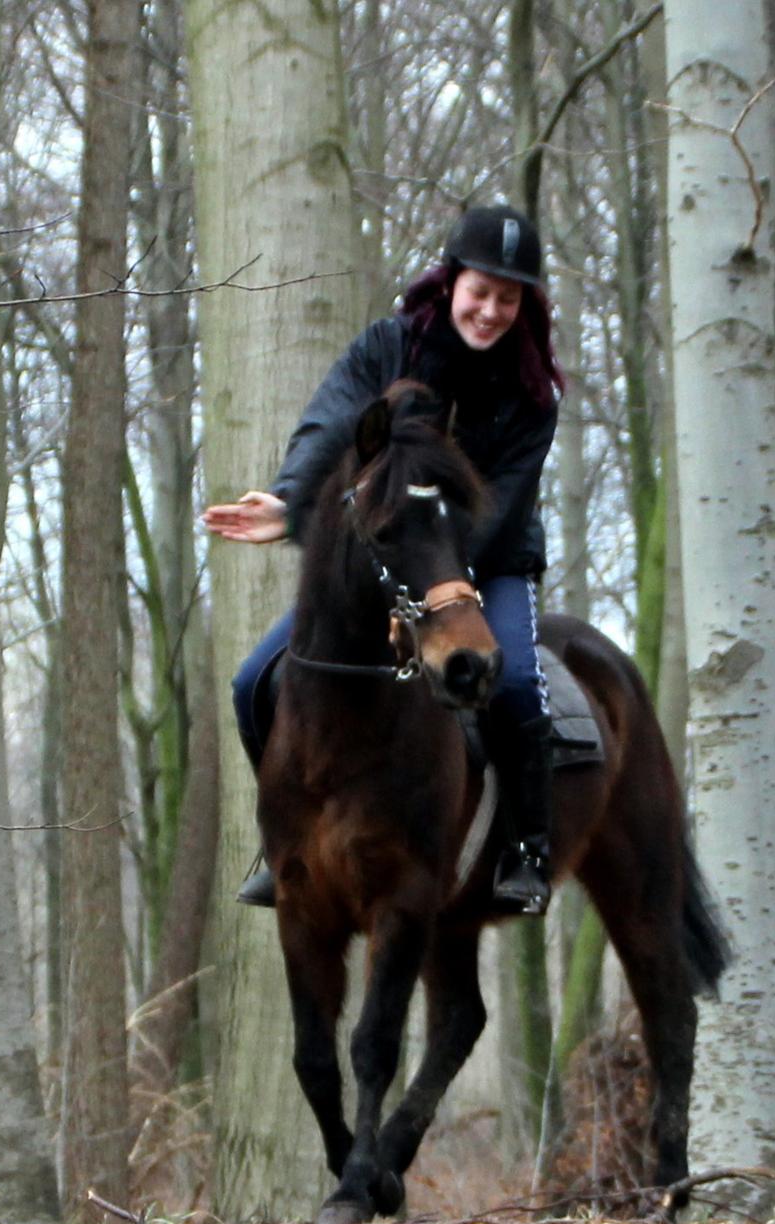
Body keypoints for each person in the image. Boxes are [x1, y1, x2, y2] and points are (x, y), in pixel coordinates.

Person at [204, 202, 564, 915]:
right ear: (452, 280)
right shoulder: (388, 347)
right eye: (480, 292)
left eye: (508, 298)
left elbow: (500, 509)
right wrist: (289, 503)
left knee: (517, 686)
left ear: (525, 305)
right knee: (253, 682)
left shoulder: (534, 398)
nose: (490, 311)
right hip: (392, 558)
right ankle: (285, 836)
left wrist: (437, 598)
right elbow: (329, 422)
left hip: (484, 562)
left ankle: (526, 848)